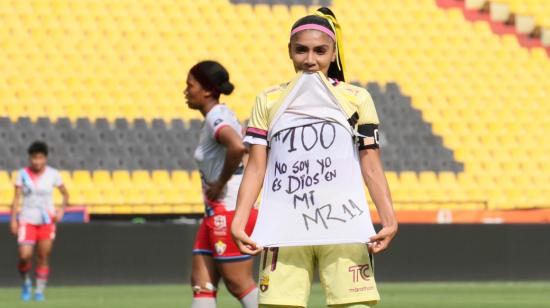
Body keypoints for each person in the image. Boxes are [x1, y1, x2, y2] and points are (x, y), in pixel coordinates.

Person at [231, 7, 398, 308]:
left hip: (343, 222)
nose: (310, 60)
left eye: (320, 51)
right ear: (289, 52)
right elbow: (256, 166)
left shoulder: (357, 98)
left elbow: (370, 163)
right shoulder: (268, 100)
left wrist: (388, 218)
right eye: (301, 51)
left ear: (334, 53)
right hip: (284, 223)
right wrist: (239, 220)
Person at [184, 60, 258, 308]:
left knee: (239, 283)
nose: (185, 91)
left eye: (190, 85)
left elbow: (237, 146)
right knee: (201, 282)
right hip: (216, 211)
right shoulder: (220, 114)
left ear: (206, 90)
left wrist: (219, 182)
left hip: (227, 209)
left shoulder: (216, 116)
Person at [9, 141, 69, 302]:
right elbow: (16, 198)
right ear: (30, 158)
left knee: (43, 256)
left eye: (40, 158)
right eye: (34, 158)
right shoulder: (22, 174)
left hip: (46, 221)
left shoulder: (53, 174)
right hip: (27, 220)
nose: (37, 161)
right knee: (24, 255)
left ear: (45, 158)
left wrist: (61, 209)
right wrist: (13, 220)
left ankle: (39, 291)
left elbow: (65, 194)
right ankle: (26, 282)